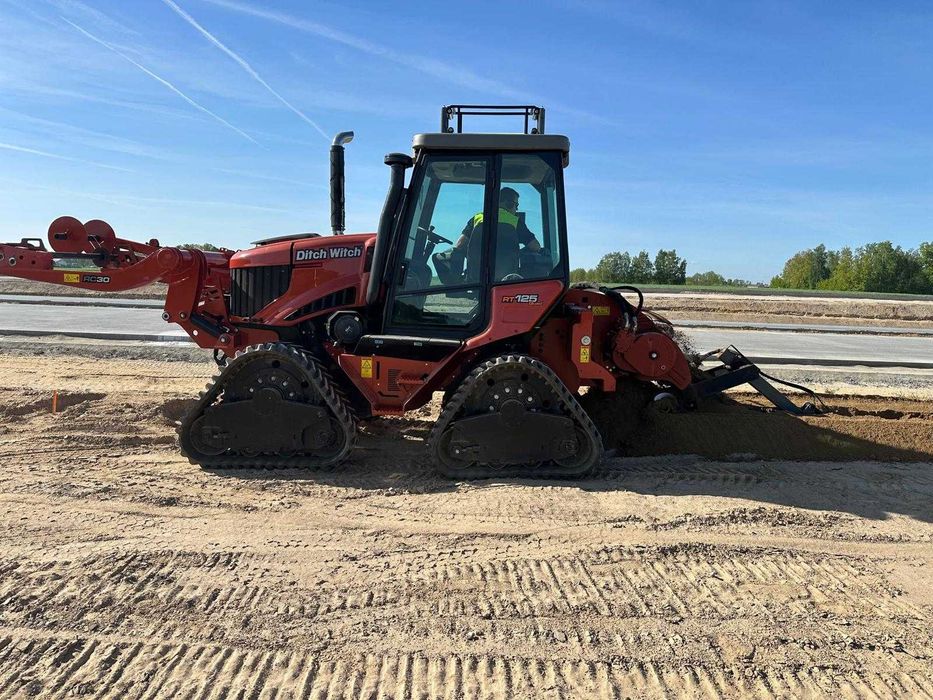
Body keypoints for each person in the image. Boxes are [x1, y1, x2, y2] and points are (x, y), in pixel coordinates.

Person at [453, 187, 541, 281]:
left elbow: (459, 245)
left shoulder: (477, 218)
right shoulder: (515, 221)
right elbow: (536, 247)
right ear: (509, 203)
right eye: (516, 205)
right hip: (508, 280)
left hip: (476, 279)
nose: (517, 208)